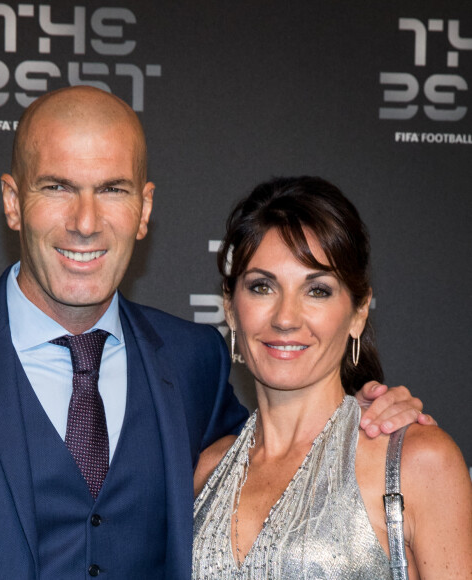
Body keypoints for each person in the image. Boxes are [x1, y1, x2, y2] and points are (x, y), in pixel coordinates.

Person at [0, 88, 429, 580]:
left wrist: (371, 408)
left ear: (143, 209)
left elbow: (291, 456)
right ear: (13, 201)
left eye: (112, 190)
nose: (85, 221)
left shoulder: (193, 361)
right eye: (57, 187)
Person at [193, 176, 472, 578]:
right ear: (231, 308)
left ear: (358, 313)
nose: (285, 318)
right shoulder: (204, 471)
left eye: (317, 290)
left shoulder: (418, 462)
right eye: (262, 287)